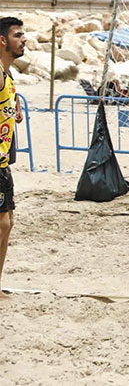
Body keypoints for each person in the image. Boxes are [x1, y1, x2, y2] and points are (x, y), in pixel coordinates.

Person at [0, 17, 26, 299]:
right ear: (3, 41)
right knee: (2, 224)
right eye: (18, 35)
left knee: (8, 223)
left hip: (4, 161)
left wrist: (12, 111)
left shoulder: (8, 76)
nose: (24, 39)